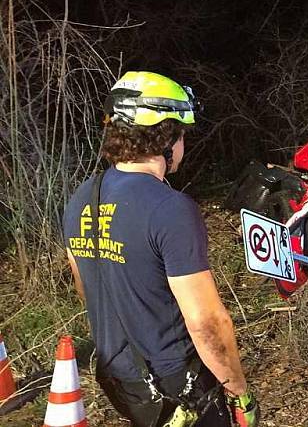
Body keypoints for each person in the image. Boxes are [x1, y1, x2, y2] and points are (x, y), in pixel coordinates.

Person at [63, 71, 260, 426]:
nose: (183, 146)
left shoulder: (80, 199)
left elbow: (85, 287)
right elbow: (207, 323)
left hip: (123, 381)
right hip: (177, 384)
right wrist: (238, 390)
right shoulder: (170, 208)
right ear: (166, 136)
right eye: (181, 135)